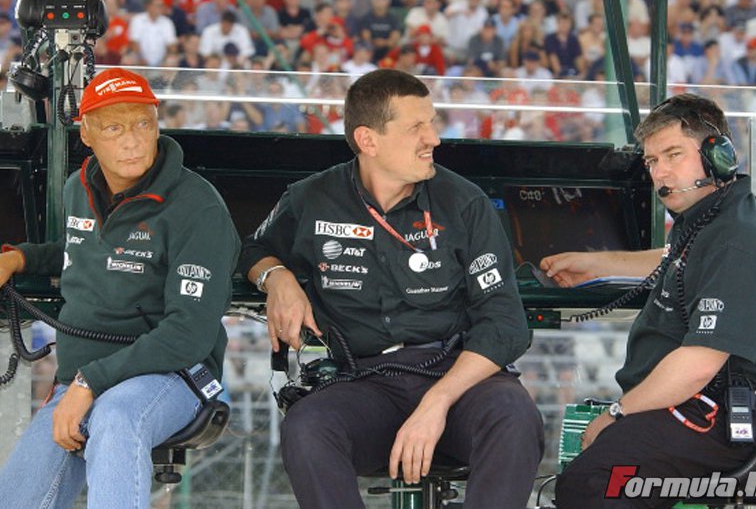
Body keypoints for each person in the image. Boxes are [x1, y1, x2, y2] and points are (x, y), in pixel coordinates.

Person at [240, 68, 543, 509]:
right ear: (368, 140)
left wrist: (437, 402)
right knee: (306, 427)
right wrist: (277, 278)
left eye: (432, 123)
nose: (433, 138)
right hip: (363, 382)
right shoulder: (311, 198)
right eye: (416, 127)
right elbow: (252, 249)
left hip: (457, 378)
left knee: (515, 416)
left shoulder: (465, 203)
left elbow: (505, 325)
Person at [542, 93, 756, 508]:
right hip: (689, 408)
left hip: (715, 416)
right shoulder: (708, 220)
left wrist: (616, 414)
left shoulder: (738, 240)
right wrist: (596, 264)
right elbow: (676, 260)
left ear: (718, 155)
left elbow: (697, 366)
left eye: (673, 155)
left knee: (593, 482)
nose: (660, 173)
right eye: (651, 161)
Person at [0, 68, 240, 508]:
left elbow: (188, 334)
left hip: (172, 376)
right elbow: (82, 249)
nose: (132, 141)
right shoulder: (77, 188)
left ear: (157, 126)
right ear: (87, 134)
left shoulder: (199, 206)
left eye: (142, 124)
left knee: (116, 415)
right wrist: (19, 257)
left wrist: (90, 383)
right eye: (114, 128)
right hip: (83, 380)